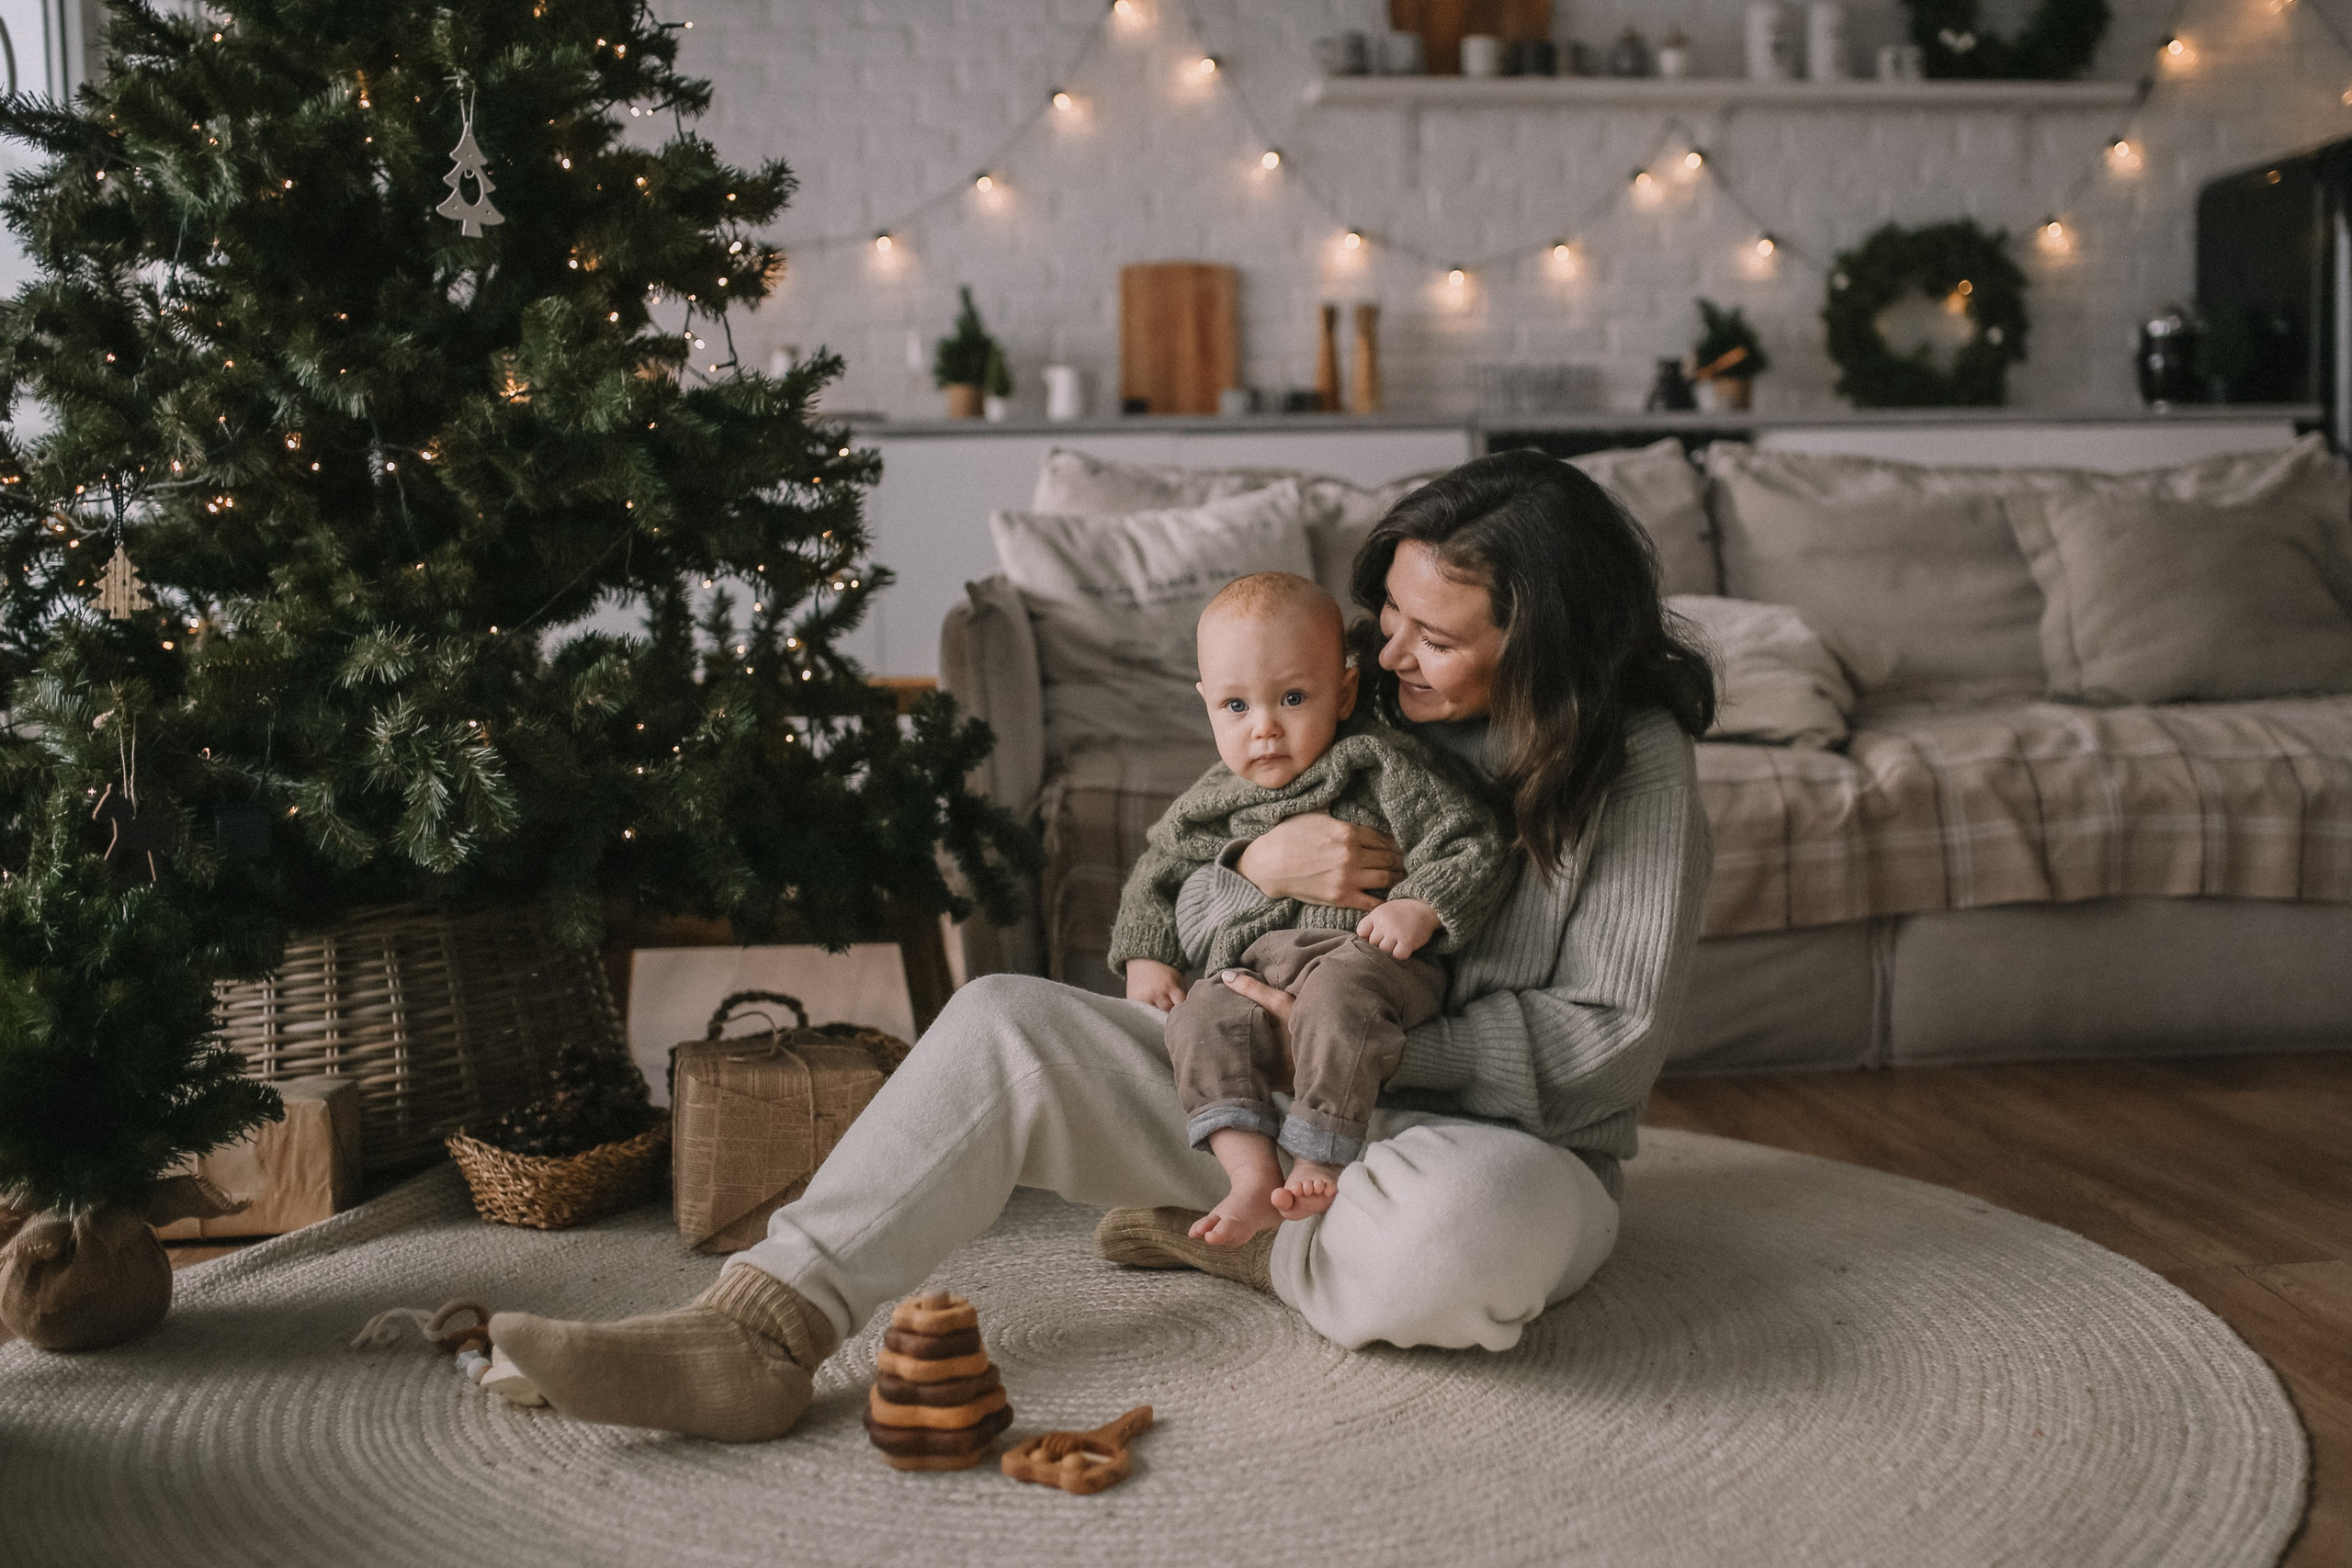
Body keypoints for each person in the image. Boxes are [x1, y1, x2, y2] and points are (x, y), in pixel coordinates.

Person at [492, 448, 1719, 1443]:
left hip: (1491, 1148)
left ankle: (1239, 1242)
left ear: (1548, 642)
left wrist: (1369, 1046)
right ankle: (756, 1328)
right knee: (1001, 1019)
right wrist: (1251, 872)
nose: (1388, 657)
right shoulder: (1352, 712)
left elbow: (1604, 1043)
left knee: (1453, 1244)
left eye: (1434, 637)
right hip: (1265, 1080)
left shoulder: (1637, 765)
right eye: (1387, 615)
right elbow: (1180, 903)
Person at [1112, 569, 1510, 1245]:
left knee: (1338, 1000)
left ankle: (1321, 1154)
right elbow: (1158, 871)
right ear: (1206, 703)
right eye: (1235, 707)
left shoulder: (1378, 765)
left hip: (1368, 958)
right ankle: (1249, 1174)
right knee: (1198, 1018)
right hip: (1252, 972)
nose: (1263, 729)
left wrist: (1421, 904)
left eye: (1292, 697)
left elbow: (1471, 841)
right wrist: (1146, 954)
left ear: (1345, 689)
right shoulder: (1211, 799)